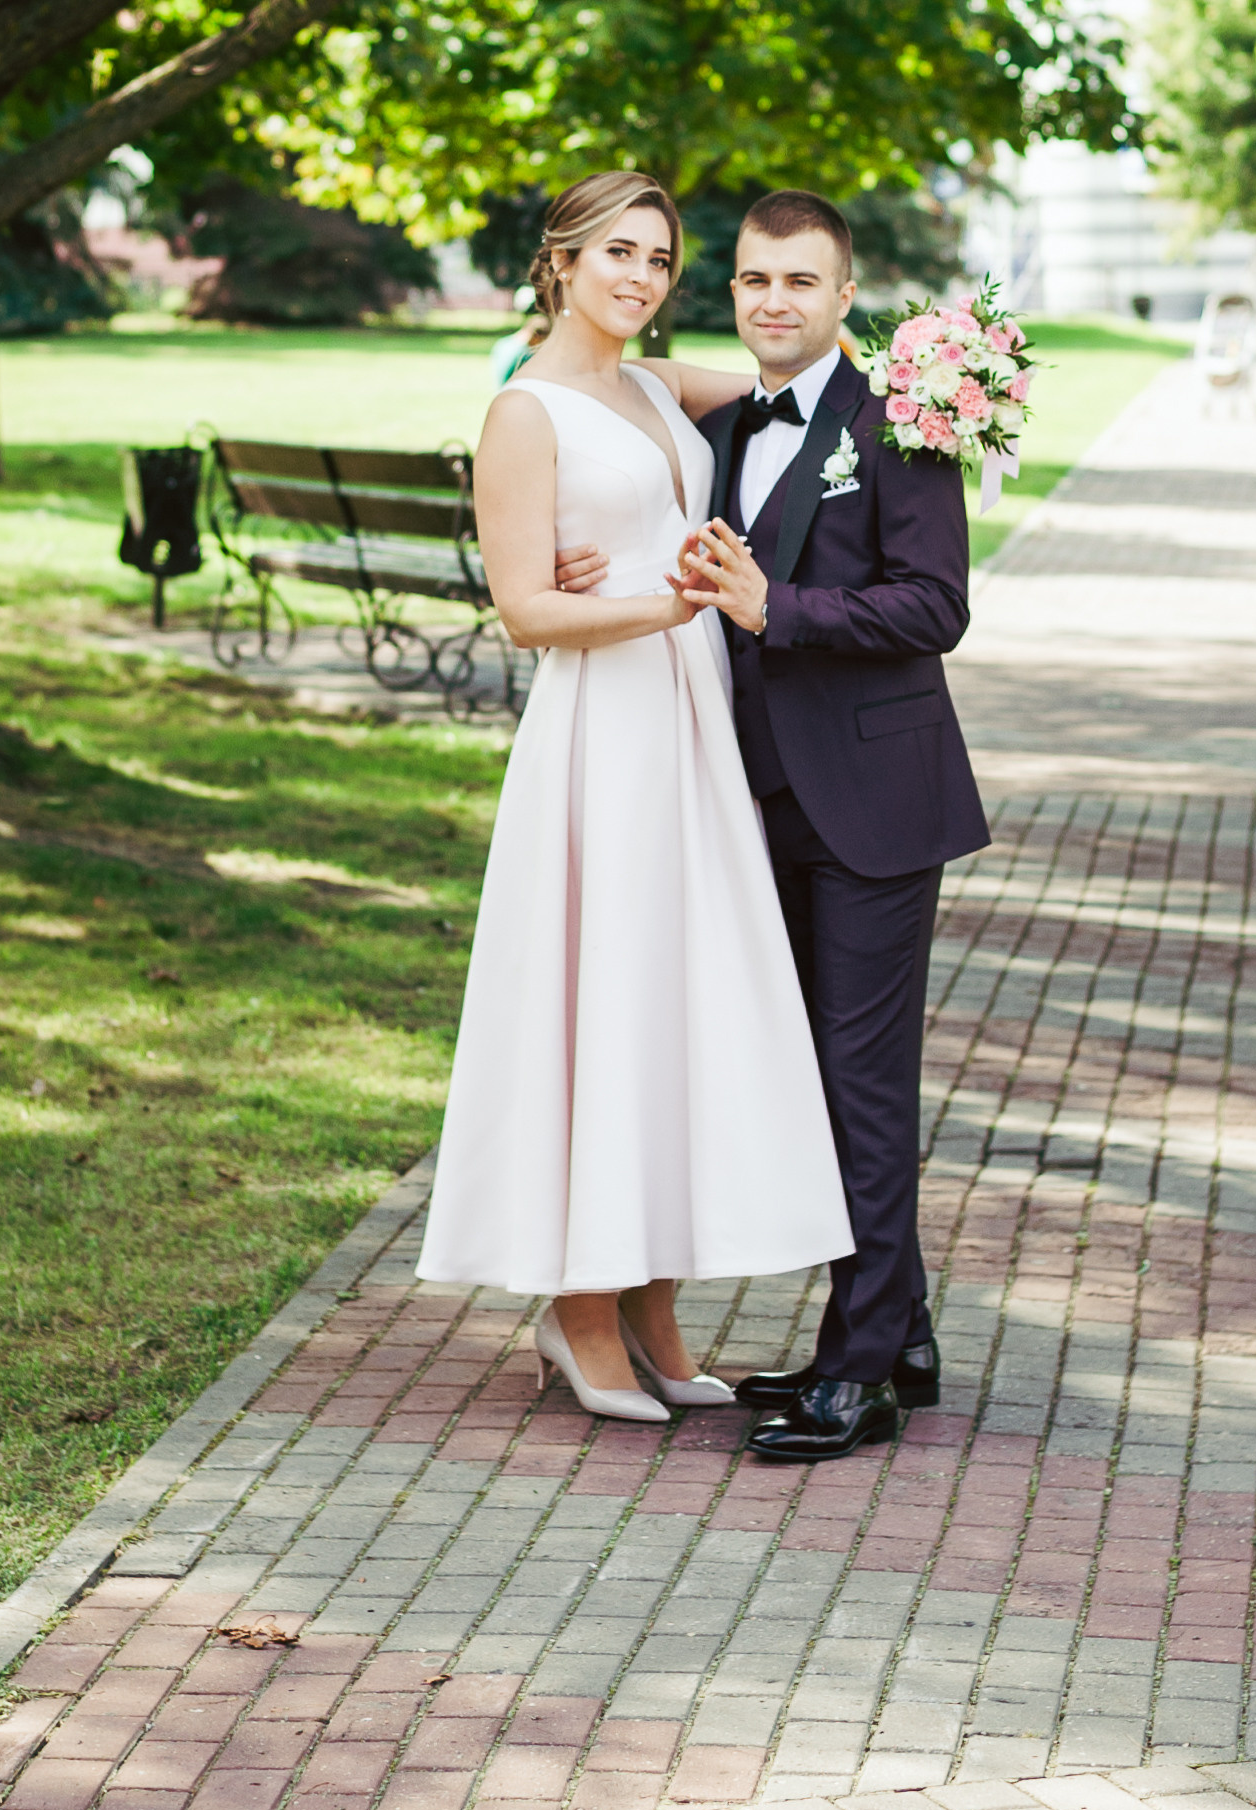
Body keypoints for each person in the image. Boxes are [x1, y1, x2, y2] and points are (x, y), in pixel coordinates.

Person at [417, 171, 852, 1424]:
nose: (641, 278)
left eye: (661, 260)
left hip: (688, 725)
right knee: (604, 995)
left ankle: (655, 1298)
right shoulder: (523, 412)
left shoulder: (661, 390)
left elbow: (808, 364)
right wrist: (659, 604)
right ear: (559, 258)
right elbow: (524, 609)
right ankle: (579, 1306)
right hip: (602, 731)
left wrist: (943, 364)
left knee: (679, 1001)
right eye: (618, 252)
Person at [676, 191, 991, 1465]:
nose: (773, 301)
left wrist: (775, 608)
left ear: (844, 293)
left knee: (861, 1090)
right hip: (761, 800)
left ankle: (857, 1371)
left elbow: (935, 604)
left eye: (799, 281)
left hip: (872, 806)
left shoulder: (902, 419)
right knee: (816, 1082)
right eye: (754, 280)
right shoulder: (722, 425)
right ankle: (897, 1331)